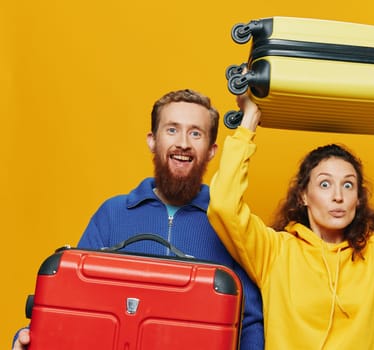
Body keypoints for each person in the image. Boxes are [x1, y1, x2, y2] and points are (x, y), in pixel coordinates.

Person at [207, 86, 374, 349]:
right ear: (303, 196)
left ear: (358, 198)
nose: (338, 196)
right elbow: (224, 206)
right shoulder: (274, 252)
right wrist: (248, 121)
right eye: (324, 184)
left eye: (347, 185)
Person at [13, 89, 264, 350]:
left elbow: (250, 321)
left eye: (195, 133)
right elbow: (72, 299)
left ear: (212, 151)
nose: (183, 143)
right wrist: (26, 340)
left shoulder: (228, 222)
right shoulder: (113, 213)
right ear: (152, 141)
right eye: (171, 130)